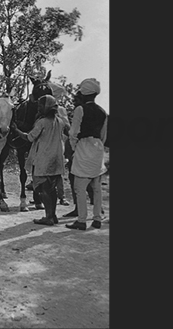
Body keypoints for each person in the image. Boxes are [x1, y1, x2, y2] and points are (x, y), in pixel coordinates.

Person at [11, 95, 70, 225]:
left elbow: (30, 138)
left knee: (43, 189)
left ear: (46, 107)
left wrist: (16, 130)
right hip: (57, 159)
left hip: (44, 159)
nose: (38, 108)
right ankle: (52, 215)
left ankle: (48, 217)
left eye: (40, 106)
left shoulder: (42, 122)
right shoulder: (60, 121)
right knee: (52, 189)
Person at [65, 78, 108, 230]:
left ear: (84, 93)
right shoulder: (102, 112)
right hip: (97, 148)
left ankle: (82, 220)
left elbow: (73, 132)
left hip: (83, 147)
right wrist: (98, 145)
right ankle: (97, 218)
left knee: (80, 186)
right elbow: (103, 135)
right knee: (96, 186)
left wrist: (75, 147)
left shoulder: (80, 109)